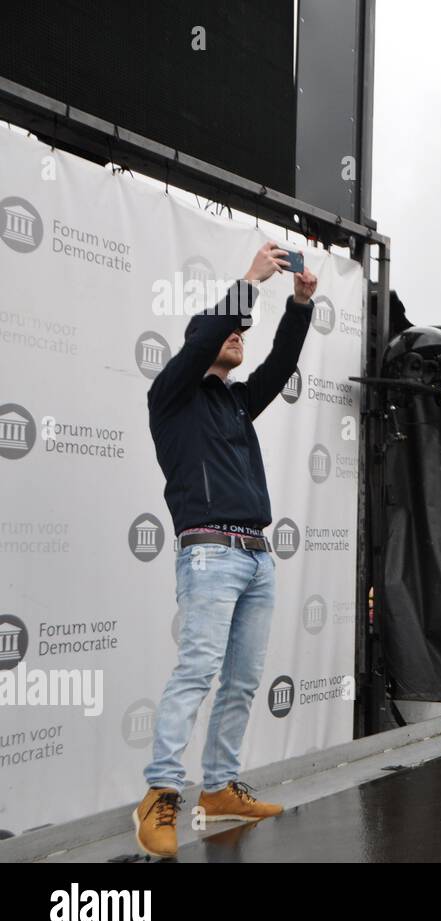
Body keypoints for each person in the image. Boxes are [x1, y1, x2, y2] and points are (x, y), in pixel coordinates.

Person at [135, 242, 316, 858]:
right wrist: (248, 283)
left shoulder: (239, 402)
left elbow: (281, 361)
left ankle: (219, 791)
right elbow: (209, 334)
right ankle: (160, 793)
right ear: (201, 342)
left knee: (240, 682)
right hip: (209, 553)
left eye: (244, 332)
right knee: (197, 672)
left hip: (257, 557)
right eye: (232, 330)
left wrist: (297, 305)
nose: (241, 336)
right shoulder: (173, 396)